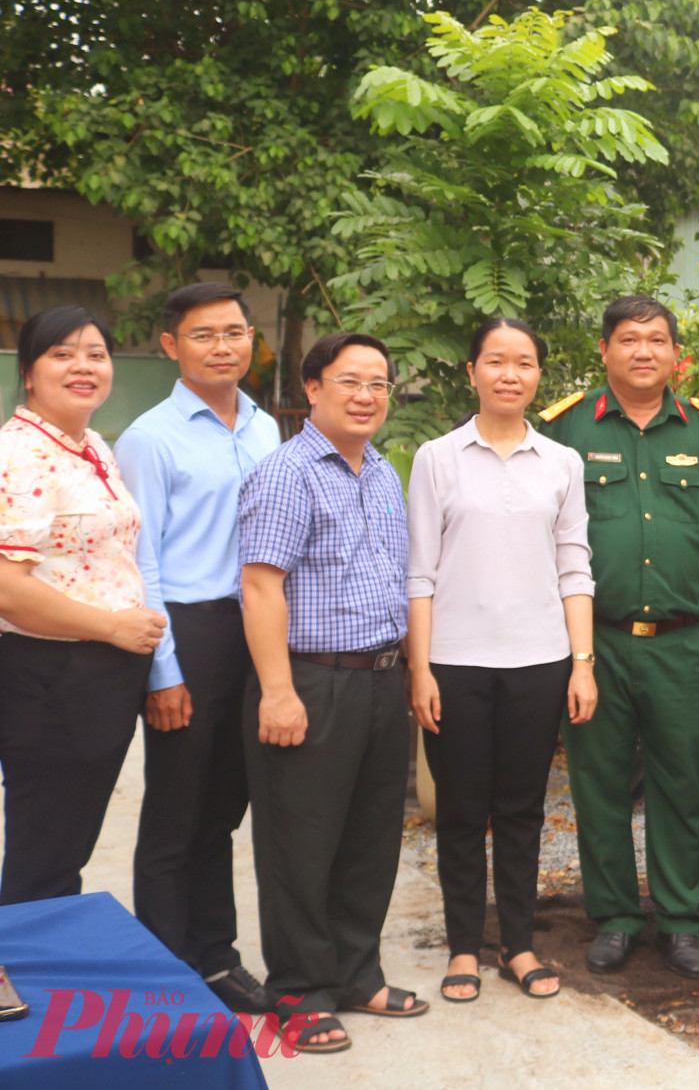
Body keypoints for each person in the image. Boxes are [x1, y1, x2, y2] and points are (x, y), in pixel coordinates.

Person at [539, 295, 699, 981]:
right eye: (629, 339)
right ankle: (614, 917)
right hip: (593, 641)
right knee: (599, 783)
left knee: (684, 782)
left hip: (681, 641)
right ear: (604, 350)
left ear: (678, 356)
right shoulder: (565, 429)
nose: (643, 351)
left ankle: (684, 918)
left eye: (657, 340)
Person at [238, 331, 424, 1054]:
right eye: (350, 380)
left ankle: (355, 972)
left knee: (371, 837)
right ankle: (298, 988)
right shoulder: (287, 472)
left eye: (379, 382)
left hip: (380, 677)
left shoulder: (381, 471)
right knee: (300, 841)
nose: (367, 395)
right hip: (310, 678)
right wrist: (278, 691)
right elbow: (260, 585)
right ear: (313, 388)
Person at [406, 317, 599, 1004]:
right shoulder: (437, 457)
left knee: (521, 809)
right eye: (496, 361)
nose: (509, 373)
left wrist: (582, 663)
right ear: (472, 371)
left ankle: (517, 943)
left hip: (540, 660)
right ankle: (464, 945)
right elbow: (420, 572)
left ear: (539, 375)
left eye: (524, 362)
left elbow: (574, 566)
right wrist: (419, 667)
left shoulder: (562, 462)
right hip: (455, 662)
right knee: (460, 811)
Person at [116, 283, 281, 1013]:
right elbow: (140, 560)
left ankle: (214, 957)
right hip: (190, 627)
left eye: (236, 332)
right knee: (176, 811)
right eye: (205, 334)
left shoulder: (267, 426)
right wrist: (164, 669)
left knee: (223, 807)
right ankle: (163, 974)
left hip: (258, 626)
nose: (224, 346)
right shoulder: (150, 437)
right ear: (170, 345)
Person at [0, 306, 166, 907]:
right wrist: (113, 627)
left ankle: (36, 970)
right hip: (51, 673)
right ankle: (19, 981)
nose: (83, 367)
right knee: (45, 848)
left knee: (66, 843)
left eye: (96, 354)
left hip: (100, 672)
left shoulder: (91, 444)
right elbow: (7, 590)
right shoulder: (17, 454)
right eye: (62, 354)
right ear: (28, 372)